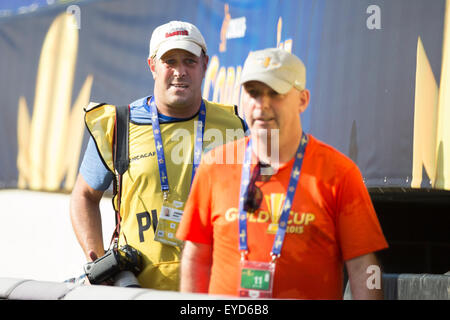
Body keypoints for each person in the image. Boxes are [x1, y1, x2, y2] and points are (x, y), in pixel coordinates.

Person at [177, 47, 389, 299]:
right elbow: (196, 256)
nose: (261, 104)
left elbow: (363, 265)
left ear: (303, 100)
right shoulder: (214, 165)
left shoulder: (340, 173)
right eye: (253, 93)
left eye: (274, 93)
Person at [69, 21, 247, 290]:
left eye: (189, 61)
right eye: (170, 61)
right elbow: (84, 195)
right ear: (152, 66)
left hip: (214, 289)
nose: (180, 71)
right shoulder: (117, 124)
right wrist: (99, 261)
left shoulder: (236, 127)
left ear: (205, 64)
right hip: (138, 290)